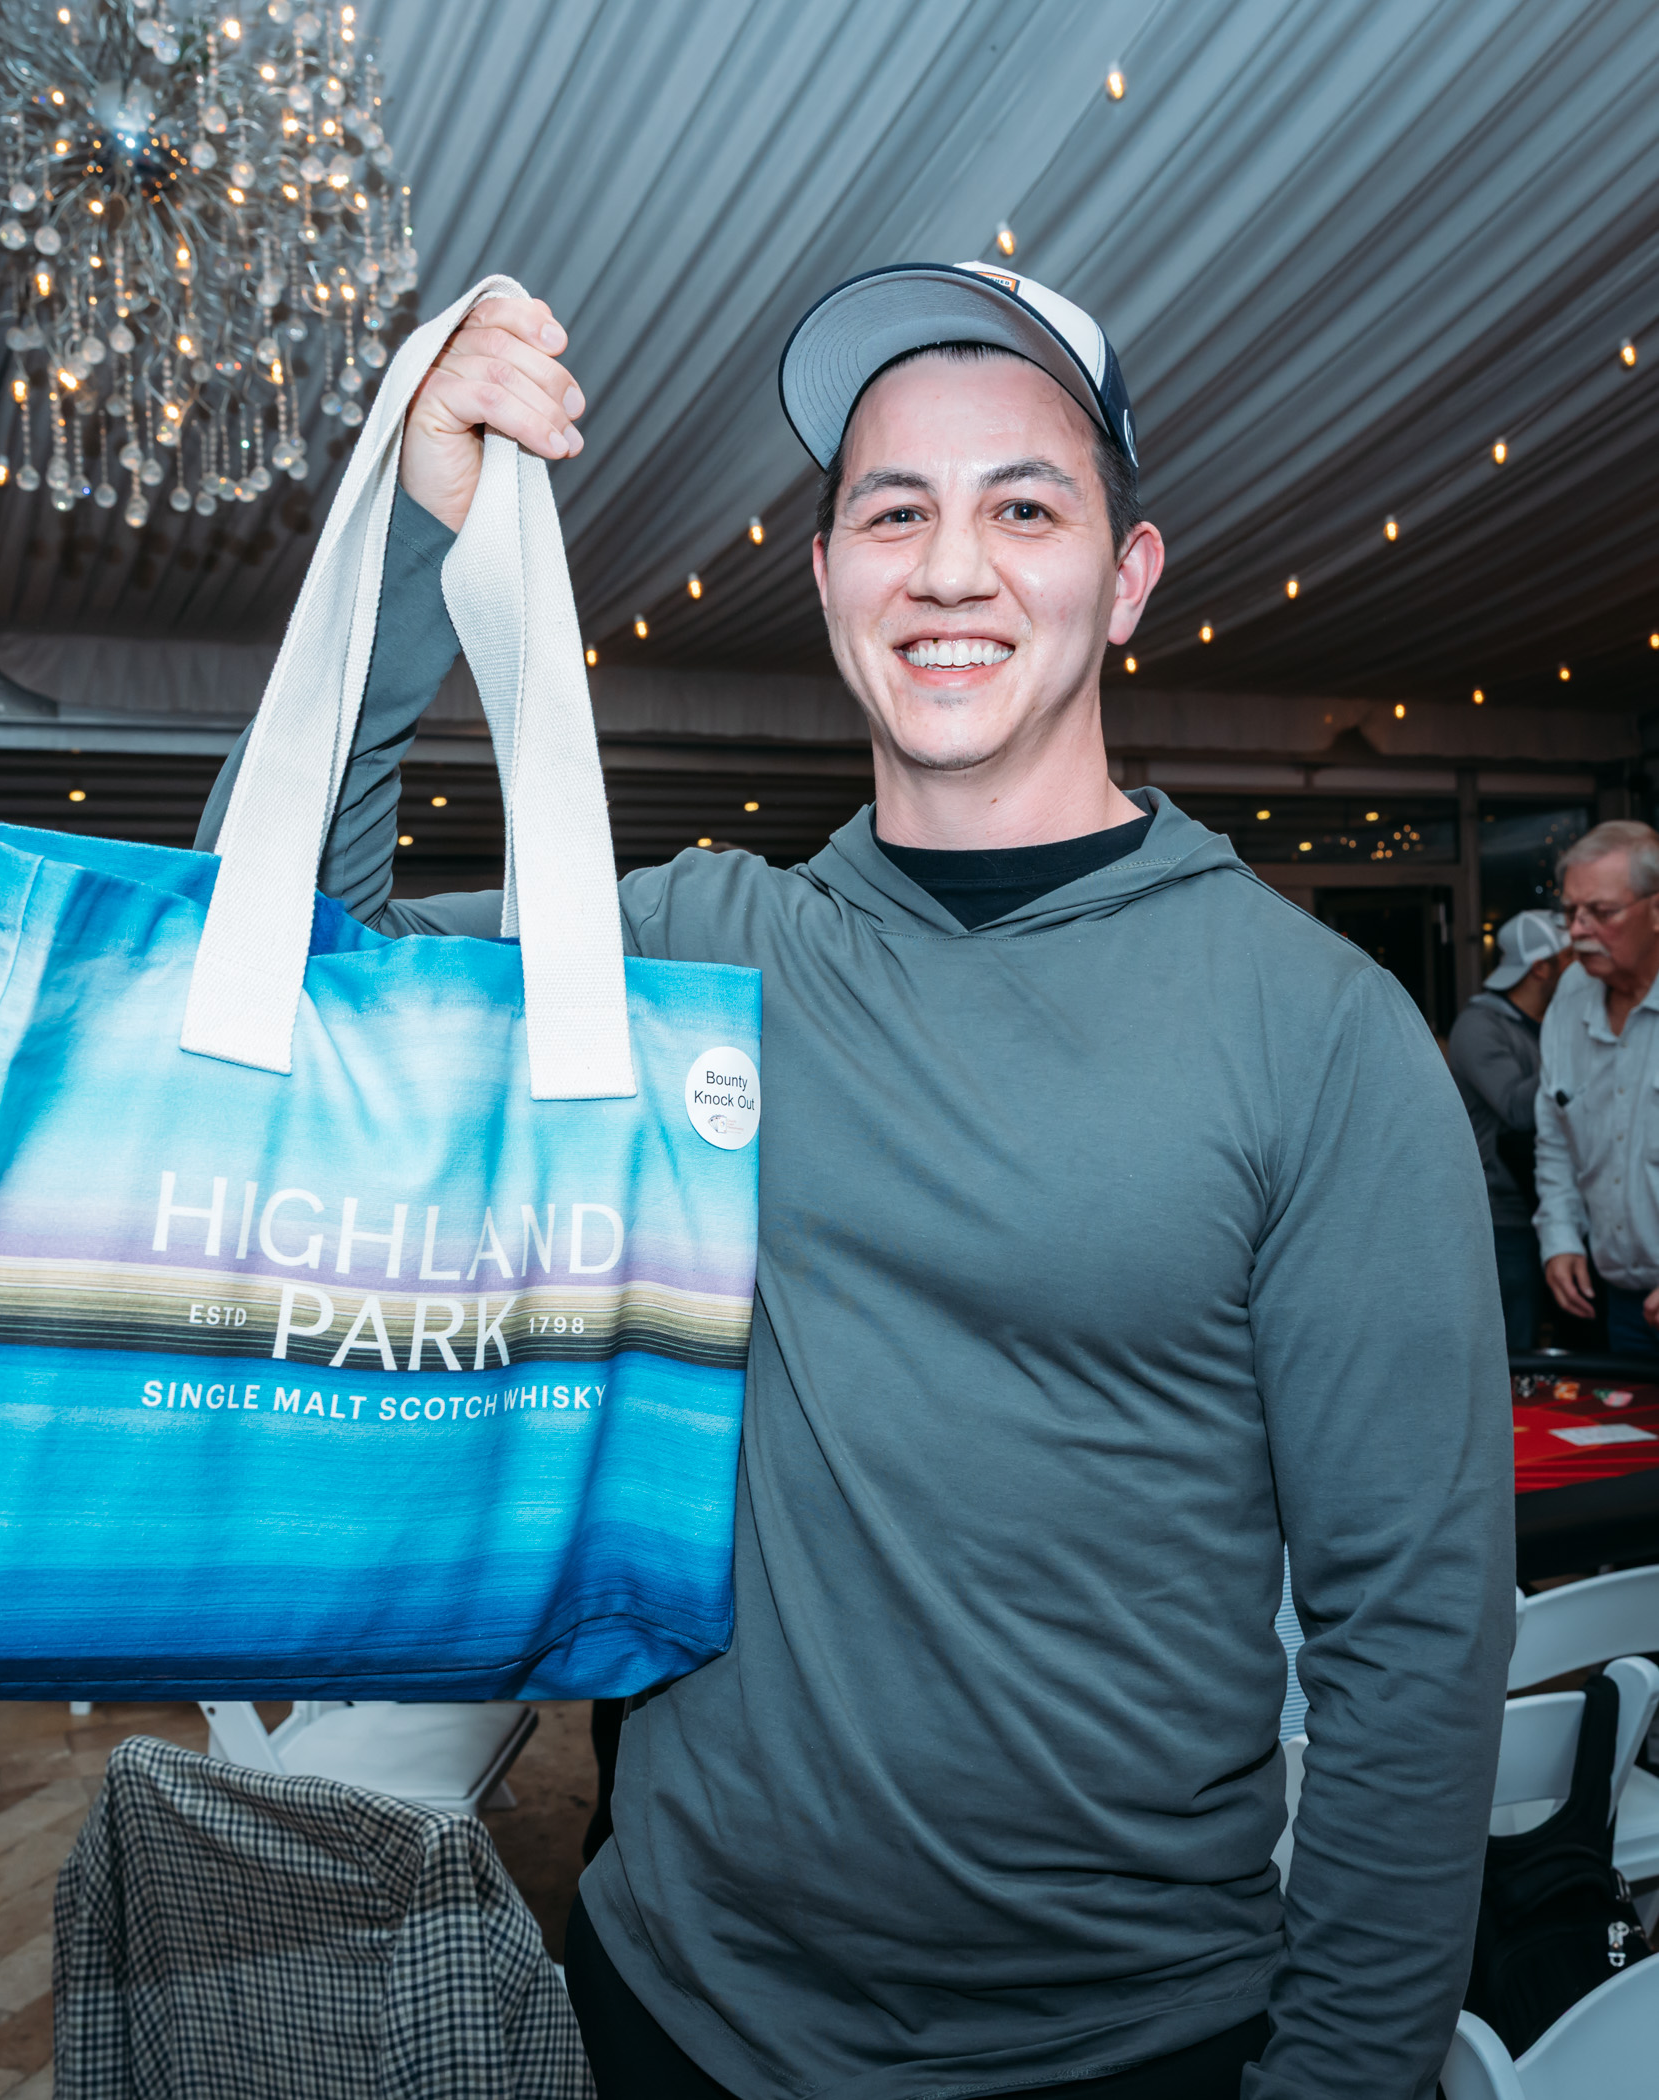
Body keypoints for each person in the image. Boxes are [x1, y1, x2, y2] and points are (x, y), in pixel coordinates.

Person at [199, 267, 1510, 2097]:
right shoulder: (691, 955)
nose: (952, 568)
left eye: (1023, 507)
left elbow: (1413, 1634)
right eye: (893, 511)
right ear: (826, 582)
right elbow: (267, 963)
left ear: (1128, 578)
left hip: (1131, 2046)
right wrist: (409, 534)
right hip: (679, 2012)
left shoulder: (1321, 1034)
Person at [1536, 819, 1659, 1362]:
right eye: (1570, 912)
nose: (1578, 931)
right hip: (1622, 1306)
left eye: (1601, 913)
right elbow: (1554, 1134)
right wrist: (1559, 1237)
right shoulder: (1570, 993)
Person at [1446, 909, 1572, 1350]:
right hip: (1505, 1217)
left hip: (1561, 1210)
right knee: (1514, 1348)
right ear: (1541, 967)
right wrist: (1575, 1051)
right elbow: (1520, 1109)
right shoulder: (1479, 1027)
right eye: (1570, 956)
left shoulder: (1555, 1020)